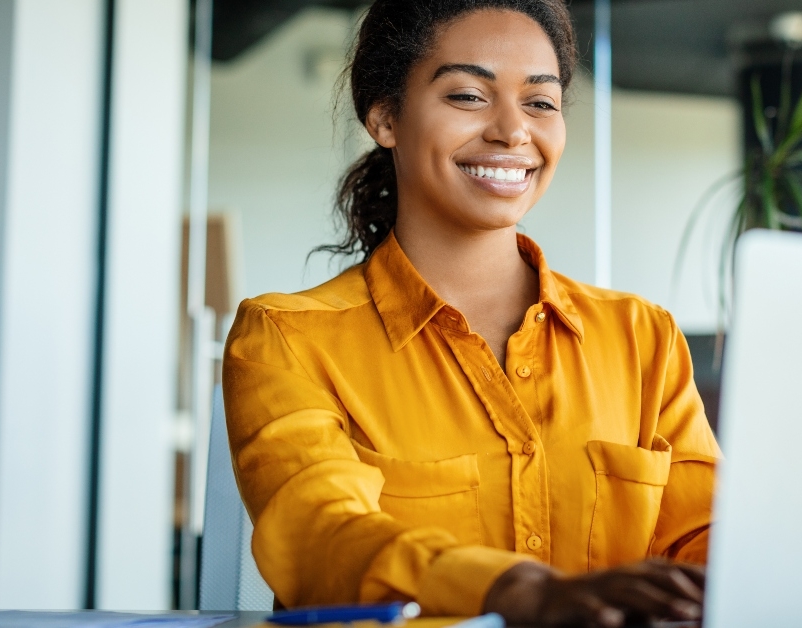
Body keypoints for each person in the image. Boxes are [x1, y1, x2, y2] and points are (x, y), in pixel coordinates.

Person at [221, 1, 721, 625]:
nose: (513, 131)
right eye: (467, 95)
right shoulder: (287, 339)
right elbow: (323, 536)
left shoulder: (643, 338)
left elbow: (710, 551)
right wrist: (518, 594)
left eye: (540, 102)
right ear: (384, 117)